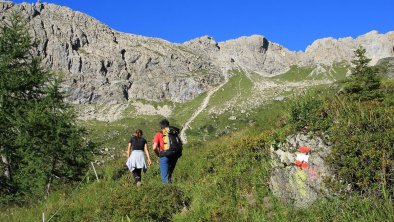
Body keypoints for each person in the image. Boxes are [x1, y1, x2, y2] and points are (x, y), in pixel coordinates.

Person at [153, 119, 182, 184]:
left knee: (165, 177)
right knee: (169, 175)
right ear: (168, 125)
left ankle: (168, 192)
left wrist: (158, 154)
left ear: (161, 127)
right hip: (175, 155)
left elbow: (154, 147)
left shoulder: (158, 134)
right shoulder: (173, 133)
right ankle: (173, 191)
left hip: (164, 155)